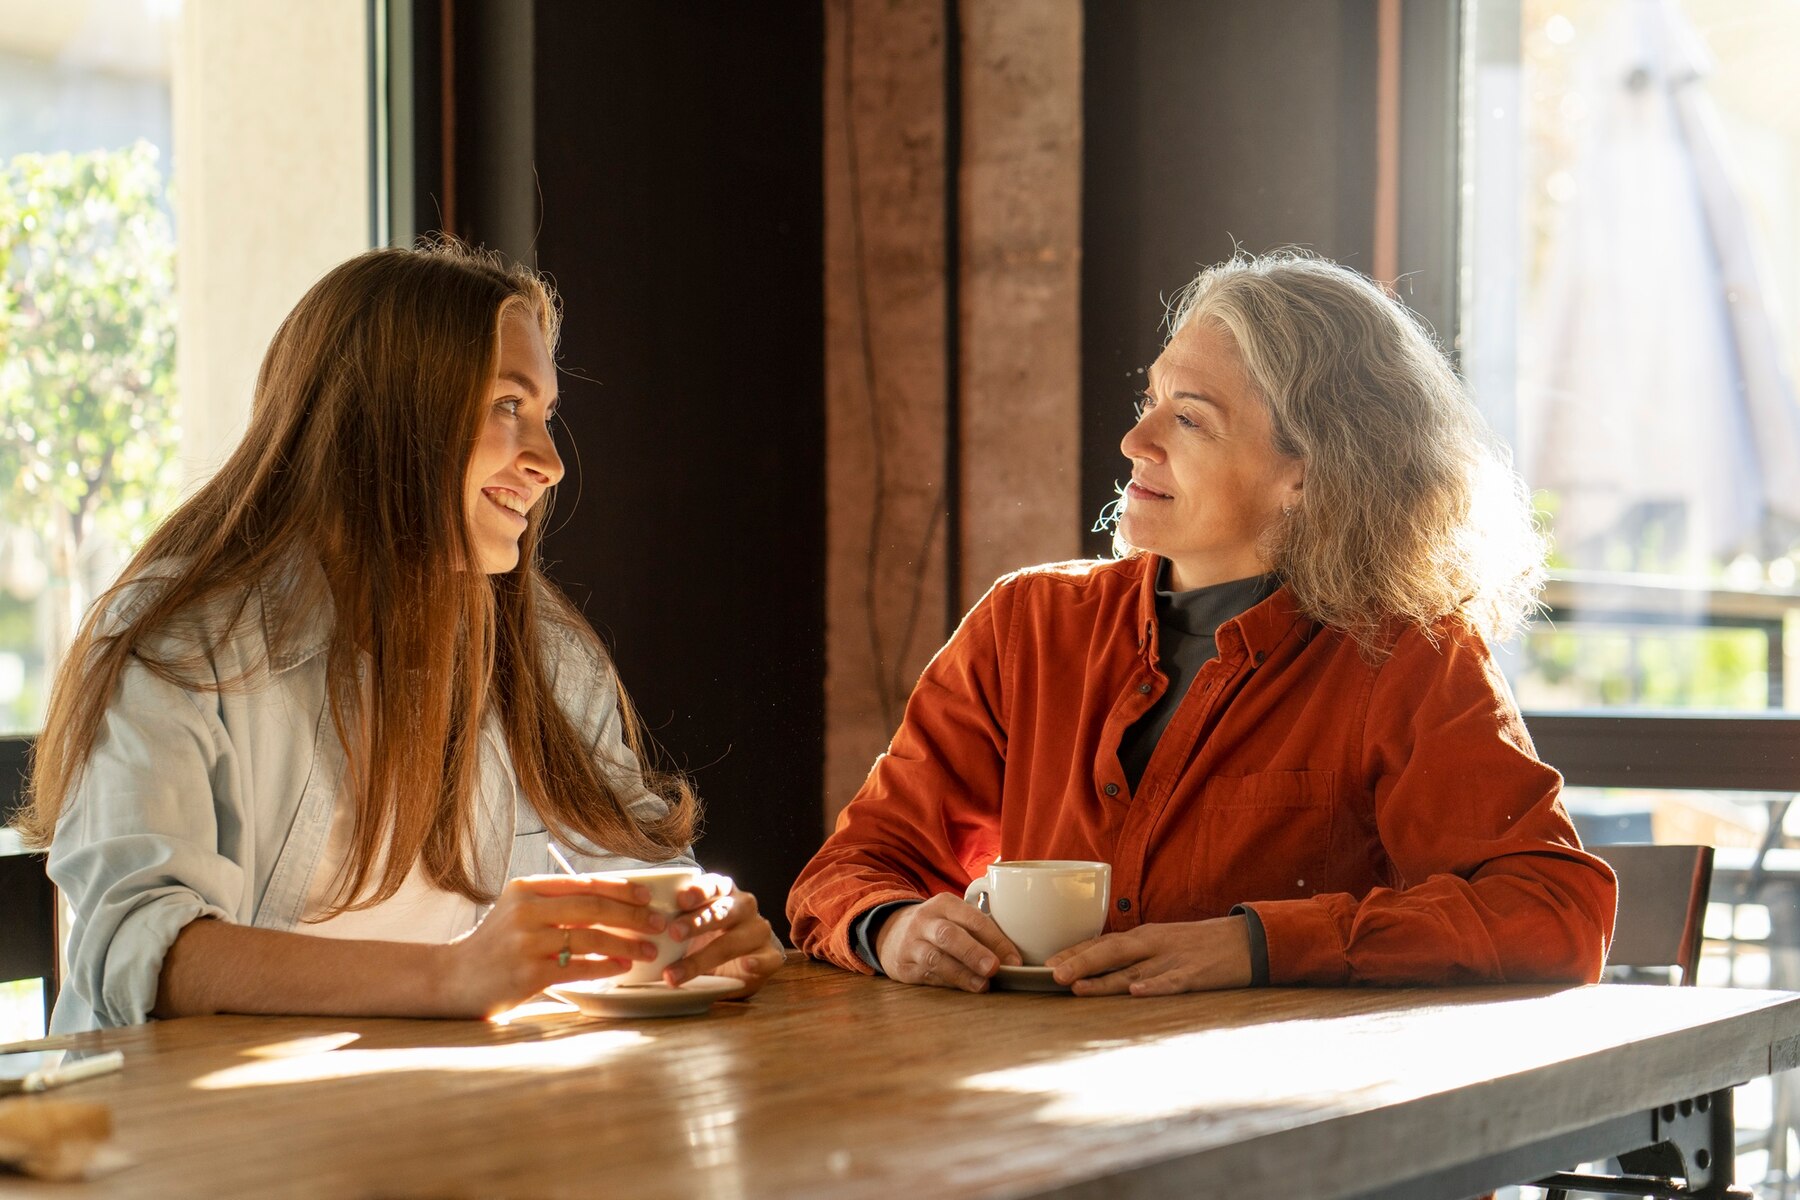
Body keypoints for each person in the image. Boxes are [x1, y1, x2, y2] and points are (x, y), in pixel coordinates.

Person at [787, 251, 1617, 995]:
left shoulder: (1407, 655)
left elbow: (1553, 910)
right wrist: (891, 925)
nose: (1133, 439)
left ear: (1308, 473)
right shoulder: (1025, 623)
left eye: (1189, 417)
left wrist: (1256, 945)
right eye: (1149, 400)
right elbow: (854, 867)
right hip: (1039, 1111)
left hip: (1302, 1135)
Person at [21, 241, 784, 1032]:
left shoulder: (544, 652)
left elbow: (623, 862)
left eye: (546, 415)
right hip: (201, 1138)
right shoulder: (179, 640)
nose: (551, 462)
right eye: (507, 407)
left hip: (435, 1120)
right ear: (388, 416)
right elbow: (135, 948)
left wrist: (695, 929)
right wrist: (454, 975)